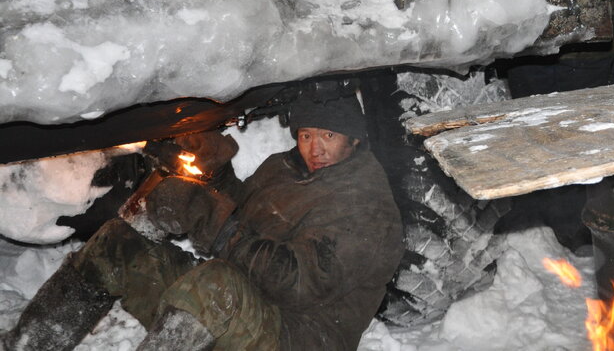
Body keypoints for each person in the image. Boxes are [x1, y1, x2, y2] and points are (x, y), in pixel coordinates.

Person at [2, 92, 404, 351]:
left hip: (296, 334)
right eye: (305, 135)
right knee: (118, 245)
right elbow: (244, 216)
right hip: (243, 311)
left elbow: (296, 284)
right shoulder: (285, 168)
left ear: (354, 138)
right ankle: (31, 345)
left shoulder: (366, 206)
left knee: (214, 284)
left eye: (328, 136)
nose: (314, 149)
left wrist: (209, 216)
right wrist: (212, 172)